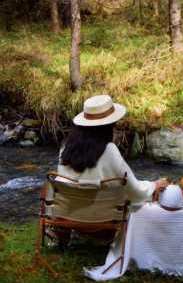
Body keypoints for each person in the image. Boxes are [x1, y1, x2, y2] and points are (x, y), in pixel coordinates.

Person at [53, 94, 168, 246]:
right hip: (102, 225)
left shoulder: (66, 148)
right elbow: (134, 191)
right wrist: (154, 185)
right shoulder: (109, 150)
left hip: (68, 218)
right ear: (108, 126)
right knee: (136, 202)